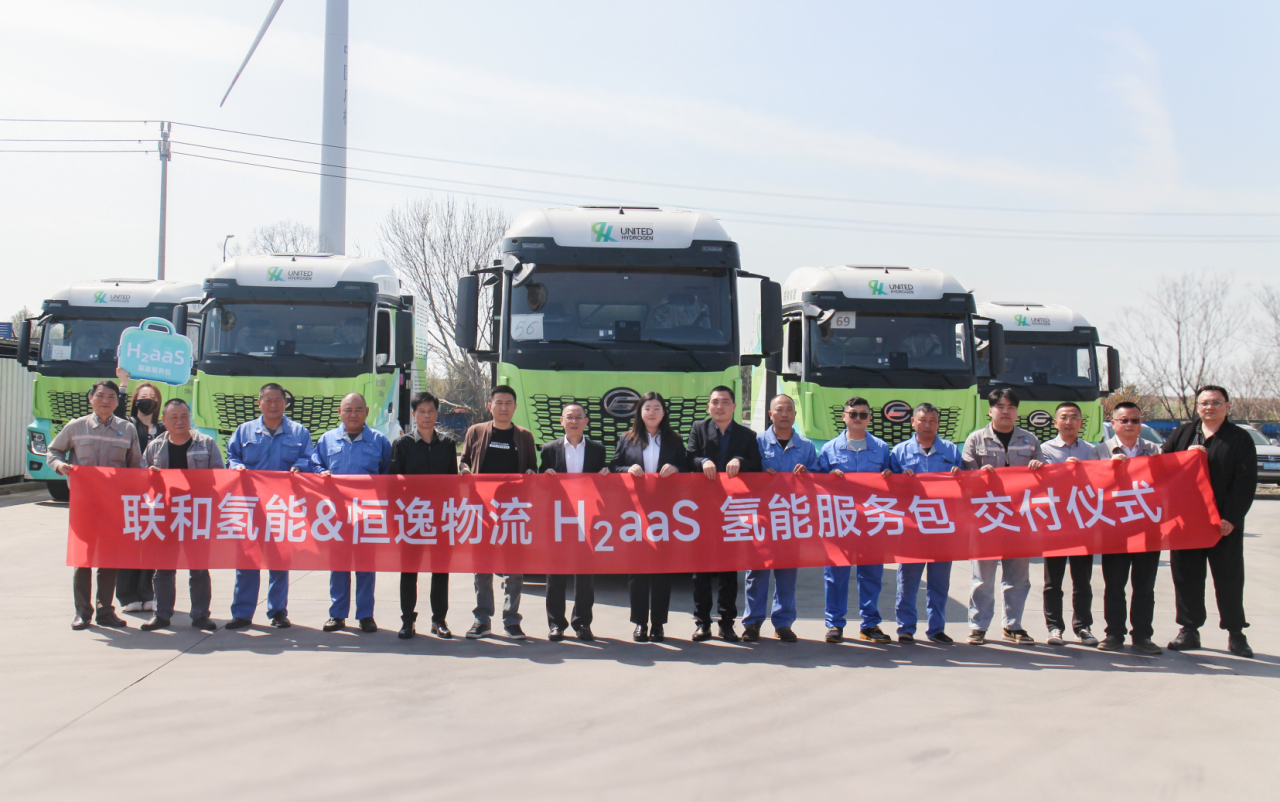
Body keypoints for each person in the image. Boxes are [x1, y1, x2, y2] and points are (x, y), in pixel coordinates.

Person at [1163, 386, 1257, 658]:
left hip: (1222, 523)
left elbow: (1246, 481)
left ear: (1227, 406)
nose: (1210, 407)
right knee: (1187, 577)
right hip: (1186, 522)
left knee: (1229, 578)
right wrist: (1184, 458)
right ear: (1197, 406)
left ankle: (1236, 633)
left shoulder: (1239, 438)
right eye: (1204, 403)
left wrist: (1231, 517)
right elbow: (1162, 468)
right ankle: (1189, 630)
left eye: (1216, 403)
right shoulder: (1183, 434)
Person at [47, 379, 142, 630]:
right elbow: (53, 452)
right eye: (100, 395)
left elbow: (136, 465)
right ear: (91, 399)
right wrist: (60, 466)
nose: (105, 400)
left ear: (117, 401)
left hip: (114, 504)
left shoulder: (127, 429)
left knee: (109, 557)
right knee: (83, 558)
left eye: (111, 396)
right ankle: (82, 612)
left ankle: (106, 611)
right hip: (84, 504)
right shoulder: (76, 426)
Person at [224, 383, 315, 631]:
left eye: (278, 400)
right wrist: (237, 467)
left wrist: (299, 467)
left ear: (285, 403)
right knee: (247, 561)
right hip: (251, 506)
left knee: (279, 561)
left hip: (282, 507)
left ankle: (278, 611)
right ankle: (242, 613)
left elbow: (309, 458)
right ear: (259, 403)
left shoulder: (299, 432)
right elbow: (231, 456)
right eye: (268, 400)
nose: (273, 405)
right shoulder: (244, 431)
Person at [962, 388, 1045, 645]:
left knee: (1018, 578)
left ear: (1017, 412)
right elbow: (965, 478)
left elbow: (1046, 480)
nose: (1005, 411)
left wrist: (1039, 468)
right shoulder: (976, 439)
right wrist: (978, 474)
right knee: (982, 578)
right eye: (1000, 406)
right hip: (987, 519)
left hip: (1020, 520)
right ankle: (978, 627)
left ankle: (1013, 626)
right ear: (990, 411)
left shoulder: (1030, 440)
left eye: (1011, 407)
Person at [459, 385, 538, 640]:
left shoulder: (524, 436)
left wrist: (531, 474)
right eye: (499, 403)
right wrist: (464, 470)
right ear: (490, 406)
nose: (503, 408)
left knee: (514, 569)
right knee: (481, 566)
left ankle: (511, 620)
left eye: (508, 403)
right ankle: (482, 619)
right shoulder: (476, 431)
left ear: (515, 407)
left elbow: (532, 468)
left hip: (514, 512)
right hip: (482, 510)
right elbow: (464, 460)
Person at [138, 399, 223, 632]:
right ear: (163, 420)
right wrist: (148, 475)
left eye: (184, 416)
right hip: (164, 515)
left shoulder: (206, 444)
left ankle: (200, 615)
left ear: (190, 417)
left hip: (196, 515)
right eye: (173, 417)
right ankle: (161, 614)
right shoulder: (155, 447)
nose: (179, 421)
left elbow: (220, 477)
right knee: (163, 568)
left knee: (199, 568)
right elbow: (140, 479)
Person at [686, 385, 761, 642]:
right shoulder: (698, 428)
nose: (720, 406)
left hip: (733, 510)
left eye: (725, 402)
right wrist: (703, 461)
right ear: (709, 406)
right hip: (703, 509)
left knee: (729, 570)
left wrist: (740, 460)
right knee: (701, 570)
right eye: (715, 402)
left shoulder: (747, 435)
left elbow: (757, 465)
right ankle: (702, 622)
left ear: (734, 406)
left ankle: (727, 622)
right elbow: (689, 458)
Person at [312, 393, 392, 633]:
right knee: (339, 565)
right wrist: (320, 473)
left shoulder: (379, 441)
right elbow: (315, 465)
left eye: (358, 410)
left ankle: (366, 615)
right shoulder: (327, 440)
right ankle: (337, 614)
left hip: (367, 515)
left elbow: (388, 475)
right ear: (340, 412)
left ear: (366, 412)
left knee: (366, 566)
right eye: (348, 409)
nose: (353, 414)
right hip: (336, 516)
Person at [818, 396, 893, 644]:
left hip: (871, 521)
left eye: (863, 414)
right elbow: (815, 483)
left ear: (870, 418)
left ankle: (870, 625)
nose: (858, 418)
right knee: (835, 575)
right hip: (839, 521)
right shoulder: (829, 449)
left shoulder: (882, 448)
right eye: (853, 414)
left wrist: (890, 475)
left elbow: (894, 482)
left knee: (871, 575)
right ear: (844, 416)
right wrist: (828, 477)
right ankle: (834, 624)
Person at [611, 392, 685, 643]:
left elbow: (687, 468)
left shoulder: (675, 440)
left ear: (663, 413)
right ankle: (640, 622)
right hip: (635, 513)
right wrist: (627, 469)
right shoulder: (627, 438)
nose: (651, 413)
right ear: (640, 413)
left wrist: (676, 468)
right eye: (647, 408)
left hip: (666, 513)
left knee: (662, 570)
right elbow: (614, 466)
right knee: (638, 570)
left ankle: (659, 624)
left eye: (656, 408)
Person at [744, 394, 818, 643]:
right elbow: (745, 473)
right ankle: (752, 622)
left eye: (789, 409)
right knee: (757, 573)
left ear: (795, 415)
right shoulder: (755, 442)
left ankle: (783, 623)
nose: (784, 413)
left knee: (787, 573)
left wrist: (808, 474)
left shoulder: (806, 446)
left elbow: (820, 480)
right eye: (779, 409)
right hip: (762, 518)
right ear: (770, 414)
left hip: (791, 519)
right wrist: (759, 473)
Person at [1093, 401, 1164, 654]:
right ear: (1113, 423)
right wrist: (1107, 469)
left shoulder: (1155, 450)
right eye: (1124, 420)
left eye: (1135, 420)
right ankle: (1114, 634)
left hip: (1147, 527)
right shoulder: (1099, 451)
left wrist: (1162, 465)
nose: (1130, 425)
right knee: (1114, 585)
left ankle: (1143, 636)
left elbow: (1169, 484)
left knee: (1144, 586)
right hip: (1114, 528)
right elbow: (1087, 486)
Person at [389, 391, 459, 640]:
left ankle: (439, 620)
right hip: (412, 518)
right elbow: (392, 484)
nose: (426, 416)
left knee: (440, 570)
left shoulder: (448, 444)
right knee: (409, 570)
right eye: (422, 411)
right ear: (414, 414)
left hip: (440, 518)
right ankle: (408, 620)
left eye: (431, 411)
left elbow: (452, 483)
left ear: (437, 414)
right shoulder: (402, 444)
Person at [890, 403, 961, 644]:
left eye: (932, 421)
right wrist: (899, 479)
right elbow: (886, 488)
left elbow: (967, 486)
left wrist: (958, 476)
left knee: (939, 583)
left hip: (942, 528)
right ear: (913, 422)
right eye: (922, 420)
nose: (927, 425)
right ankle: (905, 628)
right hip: (912, 529)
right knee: (908, 582)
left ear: (938, 424)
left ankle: (936, 628)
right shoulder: (899, 452)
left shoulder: (951, 451)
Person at [540, 403, 610, 641]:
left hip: (588, 517)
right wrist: (544, 476)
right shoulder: (549, 449)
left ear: (586, 422)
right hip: (558, 517)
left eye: (579, 417)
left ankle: (582, 623)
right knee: (555, 572)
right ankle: (556, 624)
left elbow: (604, 480)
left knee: (585, 574)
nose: (574, 421)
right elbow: (539, 481)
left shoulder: (598, 449)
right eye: (569, 417)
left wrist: (606, 473)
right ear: (562, 421)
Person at [1038, 402, 1102, 648]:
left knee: (1082, 581)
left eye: (1074, 417)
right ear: (1055, 422)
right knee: (1052, 581)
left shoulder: (1092, 451)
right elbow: (1038, 482)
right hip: (1055, 523)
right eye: (1064, 417)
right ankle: (1054, 627)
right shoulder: (1043, 450)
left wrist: (1083, 472)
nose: (1069, 422)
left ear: (1081, 423)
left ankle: (1083, 626)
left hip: (1083, 523)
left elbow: (1101, 483)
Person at [112, 370, 166, 614]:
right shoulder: (126, 425)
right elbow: (115, 415)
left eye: (152, 398)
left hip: (156, 496)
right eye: (143, 397)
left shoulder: (163, 428)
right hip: (129, 494)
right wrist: (123, 385)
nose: (147, 401)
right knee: (128, 544)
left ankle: (148, 593)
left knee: (152, 544)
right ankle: (127, 595)